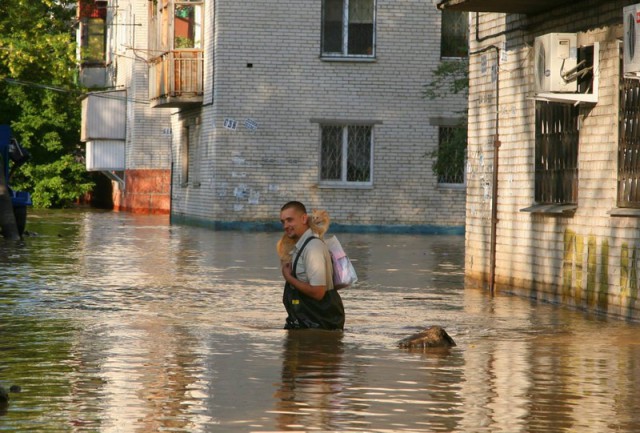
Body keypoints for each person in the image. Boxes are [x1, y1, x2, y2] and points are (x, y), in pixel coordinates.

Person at [279, 201, 345, 330]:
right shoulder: (301, 247)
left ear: (304, 218)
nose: (286, 225)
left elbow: (318, 292)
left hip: (318, 325)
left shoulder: (313, 248)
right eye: (283, 222)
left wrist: (289, 277)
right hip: (306, 324)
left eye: (290, 220)